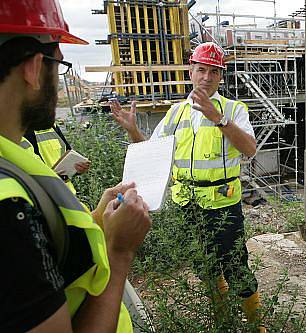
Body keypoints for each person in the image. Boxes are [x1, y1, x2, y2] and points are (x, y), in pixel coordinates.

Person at [0, 1, 151, 332]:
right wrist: (119, 250)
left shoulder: (12, 158)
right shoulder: (9, 210)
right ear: (34, 67)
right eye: (60, 64)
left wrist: (97, 219)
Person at [111, 42, 265, 331]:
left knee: (236, 267)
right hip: (188, 205)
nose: (206, 77)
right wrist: (132, 130)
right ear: (191, 71)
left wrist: (218, 119)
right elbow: (153, 153)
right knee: (205, 266)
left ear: (221, 76)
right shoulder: (176, 113)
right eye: (201, 70)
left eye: (213, 72)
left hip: (222, 204)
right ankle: (223, 321)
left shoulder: (234, 109)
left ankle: (257, 325)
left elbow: (250, 149)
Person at [21, 124, 91, 194]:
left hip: (68, 194)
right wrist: (52, 180)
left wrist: (78, 168)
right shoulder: (22, 132)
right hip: (48, 197)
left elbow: (68, 153)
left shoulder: (52, 125)